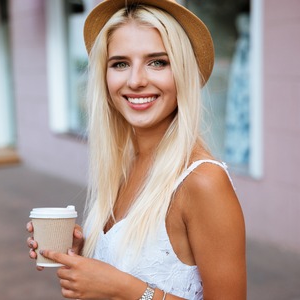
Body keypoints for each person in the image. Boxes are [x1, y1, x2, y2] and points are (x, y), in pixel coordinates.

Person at [27, 0, 246, 299]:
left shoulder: (203, 182)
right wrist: (83, 256)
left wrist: (124, 289)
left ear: (182, 72)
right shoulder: (124, 165)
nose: (136, 81)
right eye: (120, 64)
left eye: (158, 62)